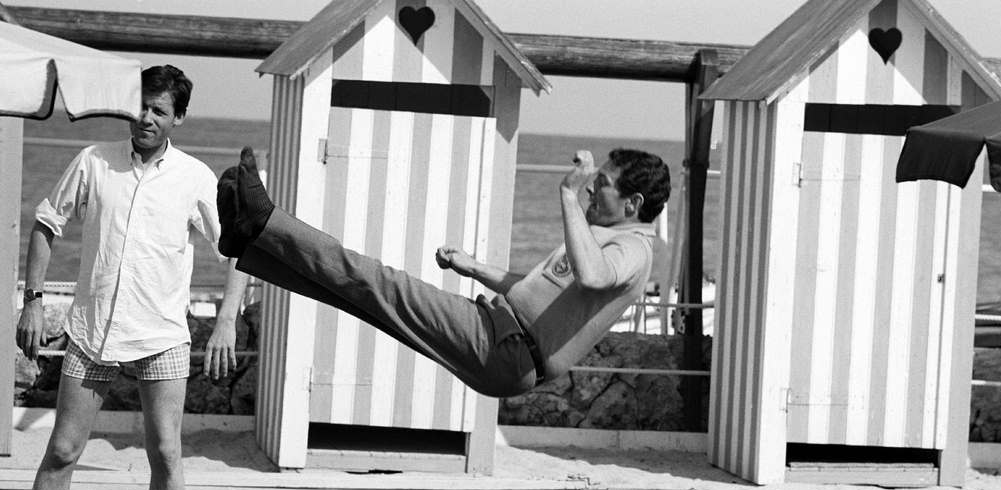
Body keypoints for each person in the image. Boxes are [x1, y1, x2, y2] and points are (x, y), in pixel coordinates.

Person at [1, 65, 249, 490]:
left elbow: (236, 251)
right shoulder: (93, 160)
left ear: (178, 118)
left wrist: (227, 318)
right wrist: (34, 302)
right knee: (63, 450)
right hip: (90, 336)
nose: (146, 117)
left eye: (160, 110)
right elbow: (46, 224)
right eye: (141, 106)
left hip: (162, 338)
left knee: (165, 452)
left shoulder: (195, 177)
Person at [217, 144, 670, 397]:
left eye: (602, 186)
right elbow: (539, 293)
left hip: (508, 350)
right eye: (592, 185)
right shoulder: (602, 239)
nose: (591, 191)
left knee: (380, 282)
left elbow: (591, 277)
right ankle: (252, 244)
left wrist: (568, 198)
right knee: (362, 298)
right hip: (501, 336)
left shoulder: (633, 249)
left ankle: (264, 220)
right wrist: (475, 268)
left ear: (633, 205)